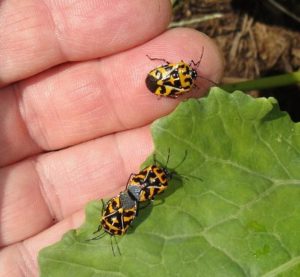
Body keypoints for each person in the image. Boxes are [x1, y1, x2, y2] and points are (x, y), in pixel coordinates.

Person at [0, 1, 223, 275]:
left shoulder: (133, 198)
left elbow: (127, 199)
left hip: (137, 190)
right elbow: (124, 199)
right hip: (136, 190)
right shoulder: (127, 200)